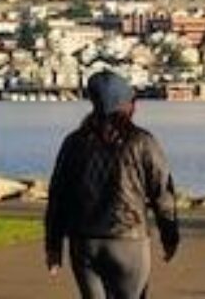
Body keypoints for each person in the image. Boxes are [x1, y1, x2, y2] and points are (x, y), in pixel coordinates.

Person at [46, 70, 181, 298]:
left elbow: (58, 195)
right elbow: (162, 193)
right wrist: (170, 236)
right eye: (132, 100)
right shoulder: (143, 141)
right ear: (126, 105)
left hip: (84, 240)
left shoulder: (74, 142)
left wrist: (53, 245)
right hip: (128, 239)